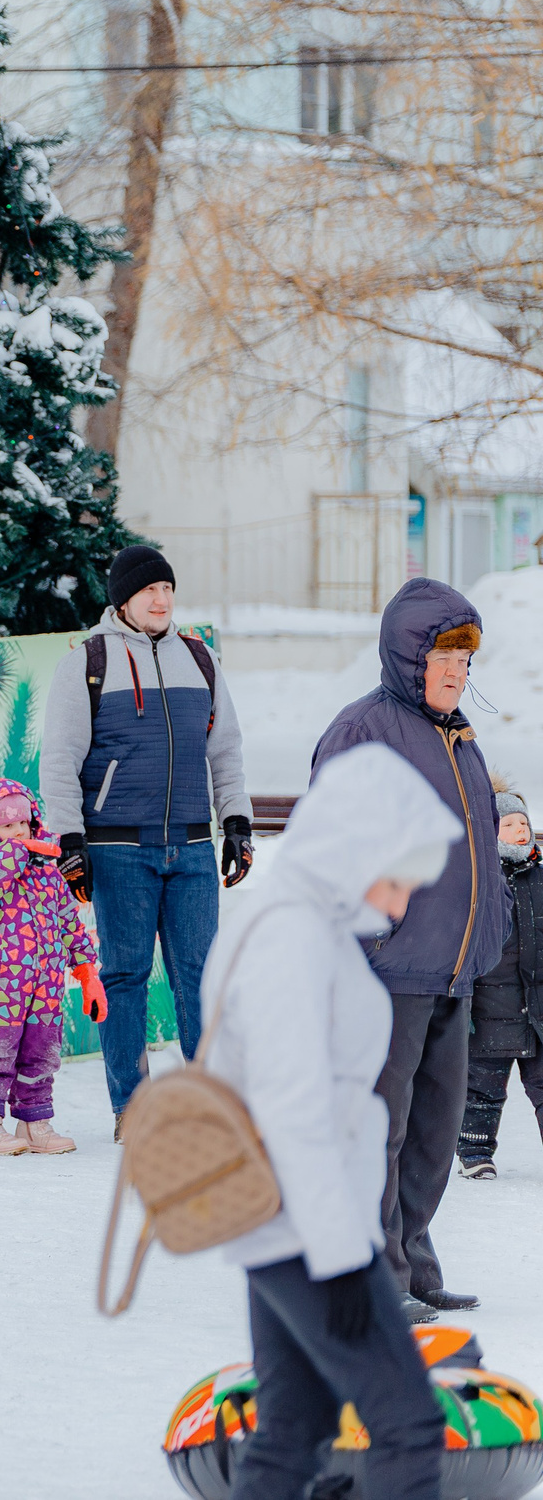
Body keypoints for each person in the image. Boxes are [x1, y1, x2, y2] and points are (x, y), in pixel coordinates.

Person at [200, 741, 454, 1500]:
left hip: (288, 1219)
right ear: (356, 847)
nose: (405, 897)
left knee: (291, 1430)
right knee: (405, 1420)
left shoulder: (302, 923)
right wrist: (345, 1257)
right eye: (400, 872)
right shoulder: (290, 938)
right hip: (304, 1227)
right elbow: (293, 1110)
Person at [311, 576, 505, 1319]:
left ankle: (413, 1260)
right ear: (405, 655)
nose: (456, 671)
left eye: (465, 659)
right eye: (443, 656)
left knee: (432, 1131)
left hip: (453, 971)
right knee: (376, 1130)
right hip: (385, 970)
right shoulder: (364, 730)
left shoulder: (460, 740)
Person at [38, 544, 253, 1131]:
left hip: (191, 847)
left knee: (200, 977)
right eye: (148, 591)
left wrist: (234, 821)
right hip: (116, 849)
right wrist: (70, 839)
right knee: (124, 976)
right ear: (123, 600)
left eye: (167, 590)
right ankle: (132, 1107)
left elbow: (225, 750)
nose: (161, 600)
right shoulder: (88, 661)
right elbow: (60, 760)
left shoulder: (199, 659)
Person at [0, 779, 103, 1156]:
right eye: (6, 826)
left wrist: (87, 973)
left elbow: (69, 920)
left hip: (45, 984)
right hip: (1, 985)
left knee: (41, 1051)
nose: (17, 832)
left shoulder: (46, 870)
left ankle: (34, 1121)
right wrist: (21, 852)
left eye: (23, 823)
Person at [457, 781, 543, 1180]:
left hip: (538, 1007)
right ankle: (475, 1150)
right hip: (490, 1005)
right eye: (508, 824)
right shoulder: (481, 880)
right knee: (482, 1088)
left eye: (522, 823)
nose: (520, 830)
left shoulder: (540, 877)